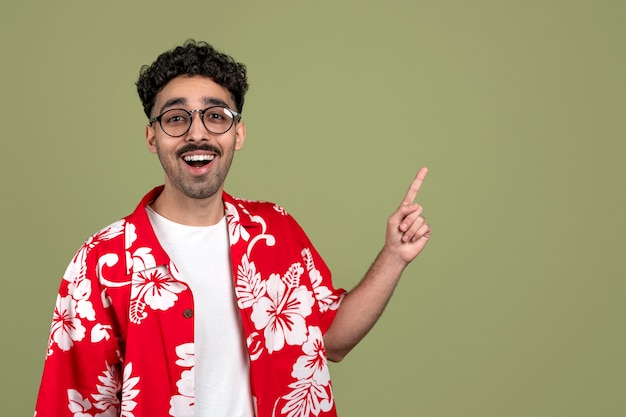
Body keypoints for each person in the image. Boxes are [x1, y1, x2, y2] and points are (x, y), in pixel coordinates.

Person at [35, 40, 431, 417]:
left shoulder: (275, 231)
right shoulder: (103, 261)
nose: (197, 133)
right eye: (176, 118)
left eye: (215, 116)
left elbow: (334, 340)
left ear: (237, 134)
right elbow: (73, 403)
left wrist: (393, 256)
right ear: (152, 137)